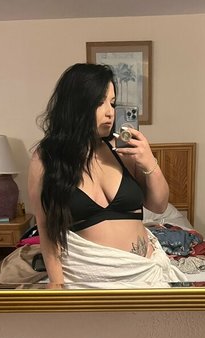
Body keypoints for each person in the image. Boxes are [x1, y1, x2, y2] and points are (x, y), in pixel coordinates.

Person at [28, 62, 186, 288]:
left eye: (112, 103)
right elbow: (45, 226)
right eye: (99, 103)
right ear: (76, 105)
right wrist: (56, 281)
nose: (110, 112)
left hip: (145, 273)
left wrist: (150, 162)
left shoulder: (123, 151)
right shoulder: (46, 158)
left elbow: (159, 206)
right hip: (86, 280)